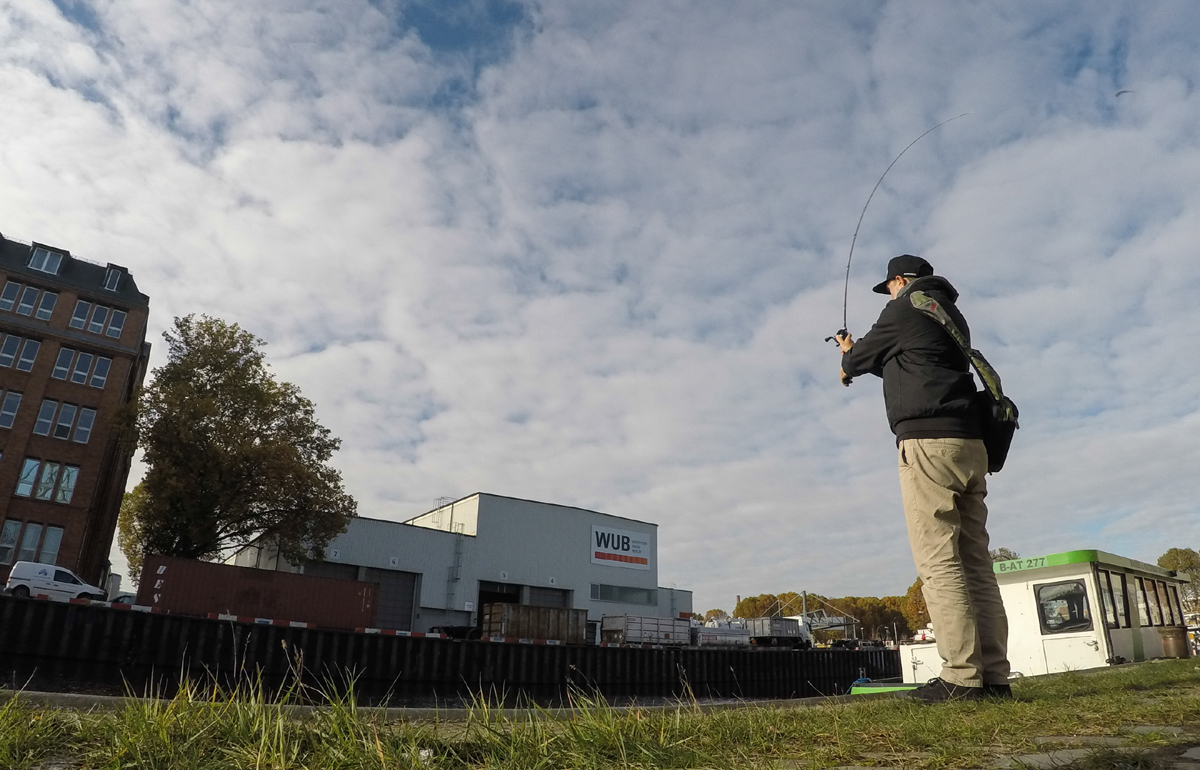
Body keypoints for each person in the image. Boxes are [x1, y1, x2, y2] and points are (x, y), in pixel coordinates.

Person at [835, 254, 1011, 703]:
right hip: (970, 445)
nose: (889, 294)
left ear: (899, 280)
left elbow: (859, 361)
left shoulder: (902, 307)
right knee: (975, 563)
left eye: (889, 287)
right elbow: (908, 360)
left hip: (927, 443)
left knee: (938, 561)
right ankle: (993, 678)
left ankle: (960, 678)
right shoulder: (948, 313)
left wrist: (846, 353)